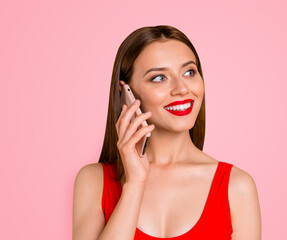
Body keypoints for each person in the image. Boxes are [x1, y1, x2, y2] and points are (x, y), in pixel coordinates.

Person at [72, 25, 261, 240]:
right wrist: (134, 184)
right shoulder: (94, 181)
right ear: (126, 92)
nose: (181, 88)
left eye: (189, 72)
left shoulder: (237, 187)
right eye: (159, 78)